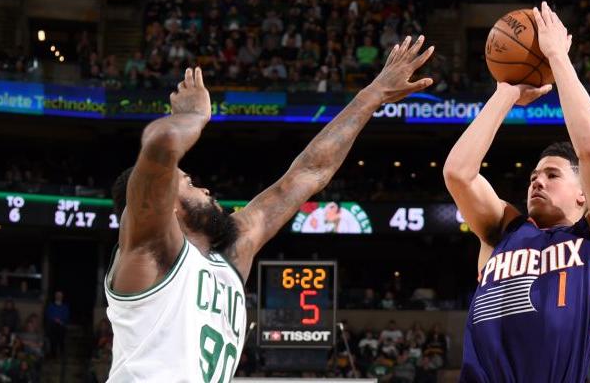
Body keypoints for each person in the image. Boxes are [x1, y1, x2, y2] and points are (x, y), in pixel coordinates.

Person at [105, 36, 434, 381]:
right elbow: (160, 146)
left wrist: (372, 95)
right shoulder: (148, 253)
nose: (203, 188)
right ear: (163, 206)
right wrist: (193, 117)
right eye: (187, 183)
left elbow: (308, 173)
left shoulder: (230, 255)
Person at [444, 2, 590, 382]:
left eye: (552, 174)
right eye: (533, 175)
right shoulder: (503, 231)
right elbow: (457, 173)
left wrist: (557, 59)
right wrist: (506, 94)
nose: (536, 181)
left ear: (584, 194)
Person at [45, 291, 69, 358]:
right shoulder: (51, 306)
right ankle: (53, 354)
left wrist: (60, 321)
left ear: (62, 297)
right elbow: (48, 315)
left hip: (61, 325)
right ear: (55, 296)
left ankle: (62, 353)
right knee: (53, 336)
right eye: (57, 295)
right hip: (52, 325)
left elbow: (66, 316)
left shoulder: (65, 307)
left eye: (60, 295)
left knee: (61, 333)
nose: (58, 296)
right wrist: (55, 320)